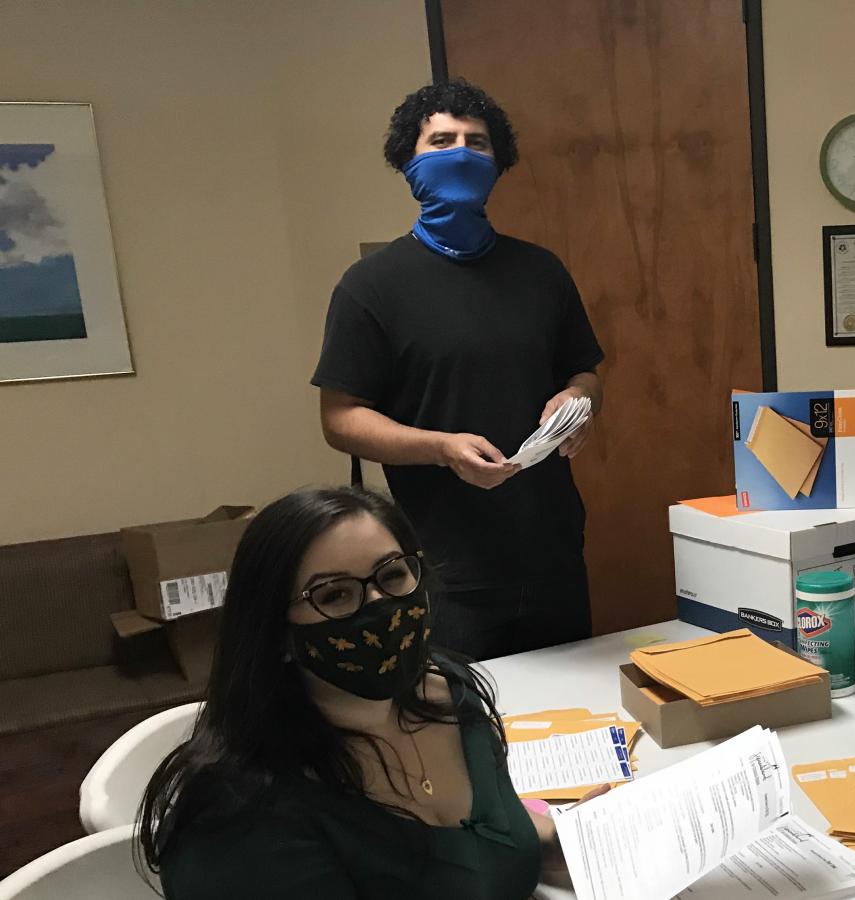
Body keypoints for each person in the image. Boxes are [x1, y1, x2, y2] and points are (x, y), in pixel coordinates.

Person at [136, 487, 602, 898]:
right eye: (336, 595)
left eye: (393, 575)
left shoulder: (450, 696)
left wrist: (566, 834)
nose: (381, 607)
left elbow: (481, 838)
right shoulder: (246, 820)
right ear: (275, 632)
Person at [313, 79, 603, 660]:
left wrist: (578, 403)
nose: (462, 153)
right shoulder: (371, 286)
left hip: (551, 552)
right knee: (462, 723)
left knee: (572, 722)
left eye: (478, 142)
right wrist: (441, 447)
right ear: (408, 163)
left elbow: (584, 371)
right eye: (441, 141)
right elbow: (340, 420)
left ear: (499, 163)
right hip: (444, 566)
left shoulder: (540, 271)